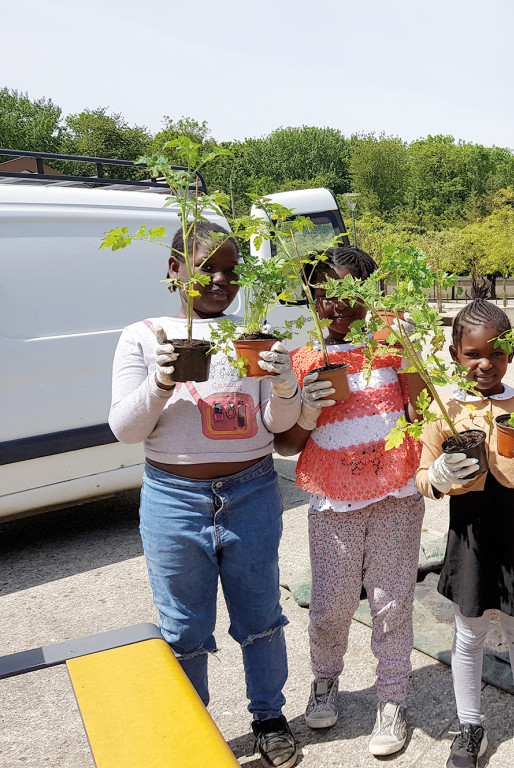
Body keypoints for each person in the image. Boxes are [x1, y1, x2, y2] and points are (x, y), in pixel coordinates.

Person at [109, 221, 301, 768]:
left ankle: (269, 716)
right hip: (174, 497)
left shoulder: (255, 336)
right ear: (175, 270)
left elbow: (271, 421)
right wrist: (160, 382)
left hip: (253, 490)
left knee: (261, 615)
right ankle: (193, 729)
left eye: (230, 270)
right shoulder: (144, 336)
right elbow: (124, 428)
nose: (221, 279)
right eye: (206, 267)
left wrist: (284, 386)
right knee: (185, 627)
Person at [274, 245, 425, 757]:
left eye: (349, 292)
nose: (337, 304)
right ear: (310, 297)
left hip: (395, 496)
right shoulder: (306, 358)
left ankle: (392, 699)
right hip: (334, 502)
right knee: (331, 605)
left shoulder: (391, 348)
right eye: (324, 293)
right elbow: (287, 444)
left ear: (370, 292)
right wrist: (308, 410)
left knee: (392, 603)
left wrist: (407, 343)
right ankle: (325, 679)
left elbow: (424, 408)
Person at [416, 299, 514, 768]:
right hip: (470, 537)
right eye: (473, 354)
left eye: (496, 354)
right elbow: (423, 478)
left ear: (511, 353)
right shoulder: (444, 407)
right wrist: (436, 474)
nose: (485, 364)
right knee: (469, 632)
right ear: (456, 353)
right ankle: (469, 724)